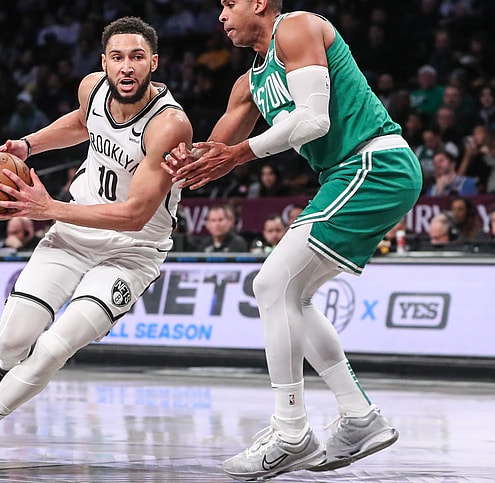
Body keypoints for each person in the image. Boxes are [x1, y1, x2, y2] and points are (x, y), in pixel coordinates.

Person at [163, 3, 418, 479]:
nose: (221, 14)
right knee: (290, 294)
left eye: (228, 3)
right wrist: (175, 157)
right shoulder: (249, 83)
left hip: (373, 163)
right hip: (347, 173)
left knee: (271, 285)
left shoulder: (297, 27)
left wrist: (239, 154)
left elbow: (314, 120)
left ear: (259, 2)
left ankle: (290, 431)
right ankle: (359, 416)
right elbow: (216, 150)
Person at [0, 16, 192, 481]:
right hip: (75, 234)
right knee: (15, 340)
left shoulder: (169, 125)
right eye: (117, 57)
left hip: (132, 251)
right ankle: (1, 362)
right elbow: (81, 123)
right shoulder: (92, 89)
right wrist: (26, 145)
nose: (127, 67)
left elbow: (135, 214)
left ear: (154, 63)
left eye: (138, 57)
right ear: (104, 63)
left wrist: (49, 206)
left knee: (57, 345)